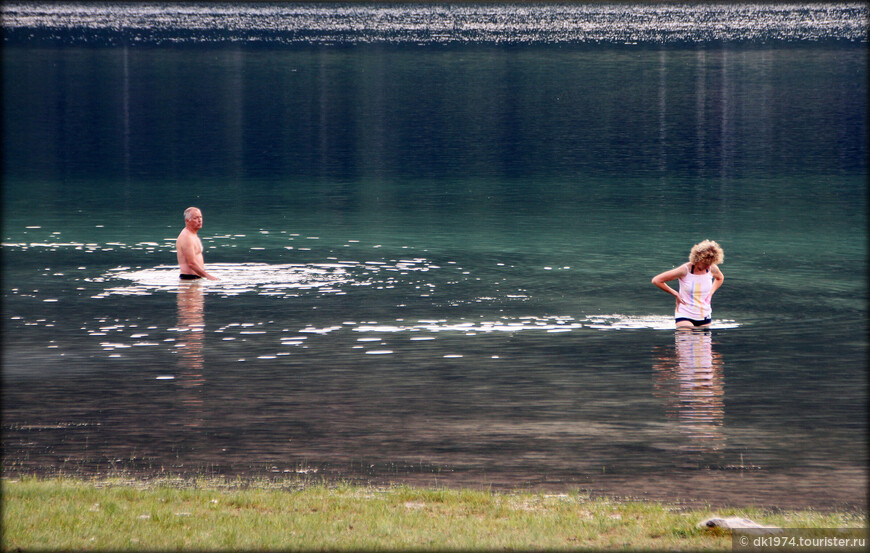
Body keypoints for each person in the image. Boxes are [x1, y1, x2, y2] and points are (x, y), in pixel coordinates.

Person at [652, 240, 724, 329]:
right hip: (684, 313)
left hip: (704, 314)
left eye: (711, 263)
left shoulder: (712, 268)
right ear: (699, 259)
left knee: (703, 341)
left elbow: (720, 278)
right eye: (706, 263)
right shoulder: (685, 270)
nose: (708, 266)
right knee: (687, 336)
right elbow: (657, 280)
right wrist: (675, 294)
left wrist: (711, 292)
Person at [176, 206, 218, 281]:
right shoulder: (186, 237)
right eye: (195, 218)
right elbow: (191, 263)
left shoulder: (193, 234)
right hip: (189, 279)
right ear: (187, 221)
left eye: (200, 217)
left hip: (196, 278)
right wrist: (209, 277)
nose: (199, 220)